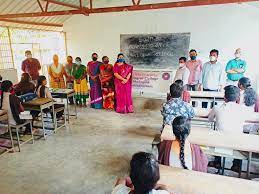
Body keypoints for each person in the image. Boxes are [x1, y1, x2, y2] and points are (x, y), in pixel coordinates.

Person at [208, 85, 257, 170]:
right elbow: (247, 123)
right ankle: (236, 165)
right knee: (241, 135)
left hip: (220, 141)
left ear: (224, 97)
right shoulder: (243, 109)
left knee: (217, 133)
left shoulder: (217, 107)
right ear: (238, 98)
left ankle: (217, 162)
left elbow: (210, 119)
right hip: (237, 141)